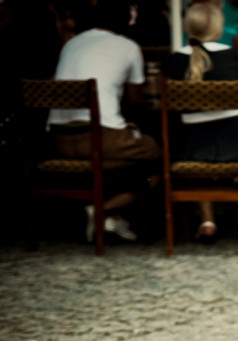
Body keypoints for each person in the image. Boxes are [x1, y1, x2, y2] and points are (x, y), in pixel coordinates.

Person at [47, 0, 161, 243]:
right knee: (157, 159)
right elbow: (135, 98)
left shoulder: (71, 44)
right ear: (124, 20)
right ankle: (104, 210)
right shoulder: (128, 46)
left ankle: (112, 218)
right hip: (102, 139)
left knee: (126, 162)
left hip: (60, 142)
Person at [165, 2, 238, 242]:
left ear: (187, 27)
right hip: (237, 144)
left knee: (191, 128)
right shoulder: (234, 58)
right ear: (218, 29)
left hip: (191, 147)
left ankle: (207, 220)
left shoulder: (174, 62)